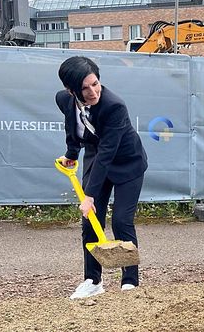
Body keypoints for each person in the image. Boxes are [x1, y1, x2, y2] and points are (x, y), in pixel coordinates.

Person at [55, 56, 148, 299]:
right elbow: (71, 125)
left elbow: (108, 153)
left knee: (121, 220)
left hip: (127, 162)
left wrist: (89, 196)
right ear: (71, 90)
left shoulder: (114, 106)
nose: (93, 91)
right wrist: (71, 154)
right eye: (85, 88)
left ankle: (130, 282)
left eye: (95, 83)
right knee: (89, 222)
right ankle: (93, 280)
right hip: (97, 159)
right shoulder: (64, 99)